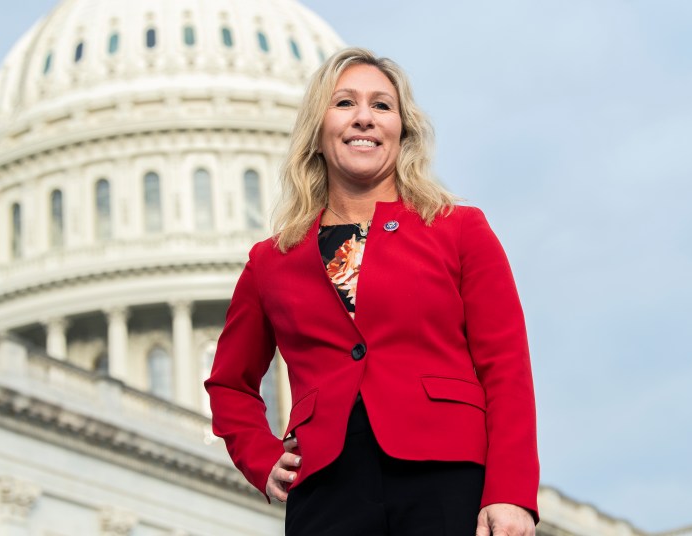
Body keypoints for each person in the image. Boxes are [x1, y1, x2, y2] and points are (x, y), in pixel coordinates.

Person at [204, 47, 538, 536]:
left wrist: (510, 493)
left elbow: (506, 367)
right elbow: (229, 384)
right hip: (327, 488)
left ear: (402, 132)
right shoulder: (270, 262)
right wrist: (262, 457)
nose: (364, 117)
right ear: (317, 132)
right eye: (344, 103)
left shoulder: (459, 229)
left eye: (381, 106)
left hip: (445, 475)